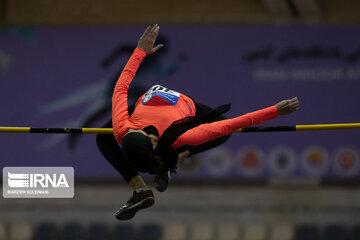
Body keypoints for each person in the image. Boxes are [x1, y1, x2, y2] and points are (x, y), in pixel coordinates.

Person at [96, 24, 300, 220]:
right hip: (186, 108)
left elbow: (121, 87)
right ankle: (165, 167)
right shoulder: (181, 136)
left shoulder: (121, 127)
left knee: (102, 138)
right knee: (224, 130)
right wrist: (275, 111)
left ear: (132, 134)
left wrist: (139, 52)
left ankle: (142, 187)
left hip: (144, 107)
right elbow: (231, 124)